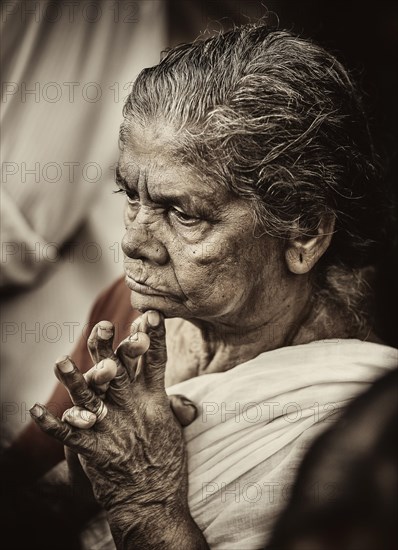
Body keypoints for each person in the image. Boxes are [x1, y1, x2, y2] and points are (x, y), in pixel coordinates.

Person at [20, 22, 398, 548]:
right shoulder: (130, 318)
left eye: (183, 213)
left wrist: (146, 503)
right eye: (130, 195)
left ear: (305, 231)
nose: (132, 241)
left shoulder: (365, 419)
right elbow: (21, 501)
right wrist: (81, 480)